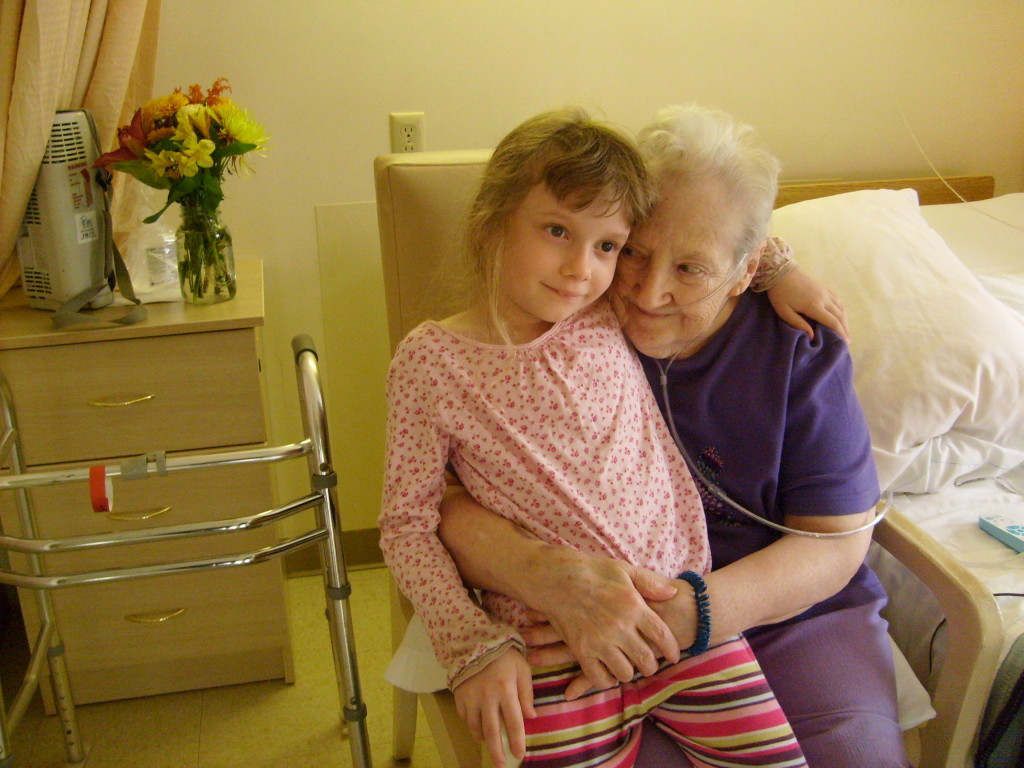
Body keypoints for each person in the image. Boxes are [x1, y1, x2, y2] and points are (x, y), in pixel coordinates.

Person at [438, 104, 908, 768]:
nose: (648, 291)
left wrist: (695, 613)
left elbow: (835, 540)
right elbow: (449, 498)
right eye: (632, 251)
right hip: (592, 608)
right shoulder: (566, 309)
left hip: (787, 610)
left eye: (690, 270)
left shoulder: (796, 347)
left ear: (743, 273)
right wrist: (546, 577)